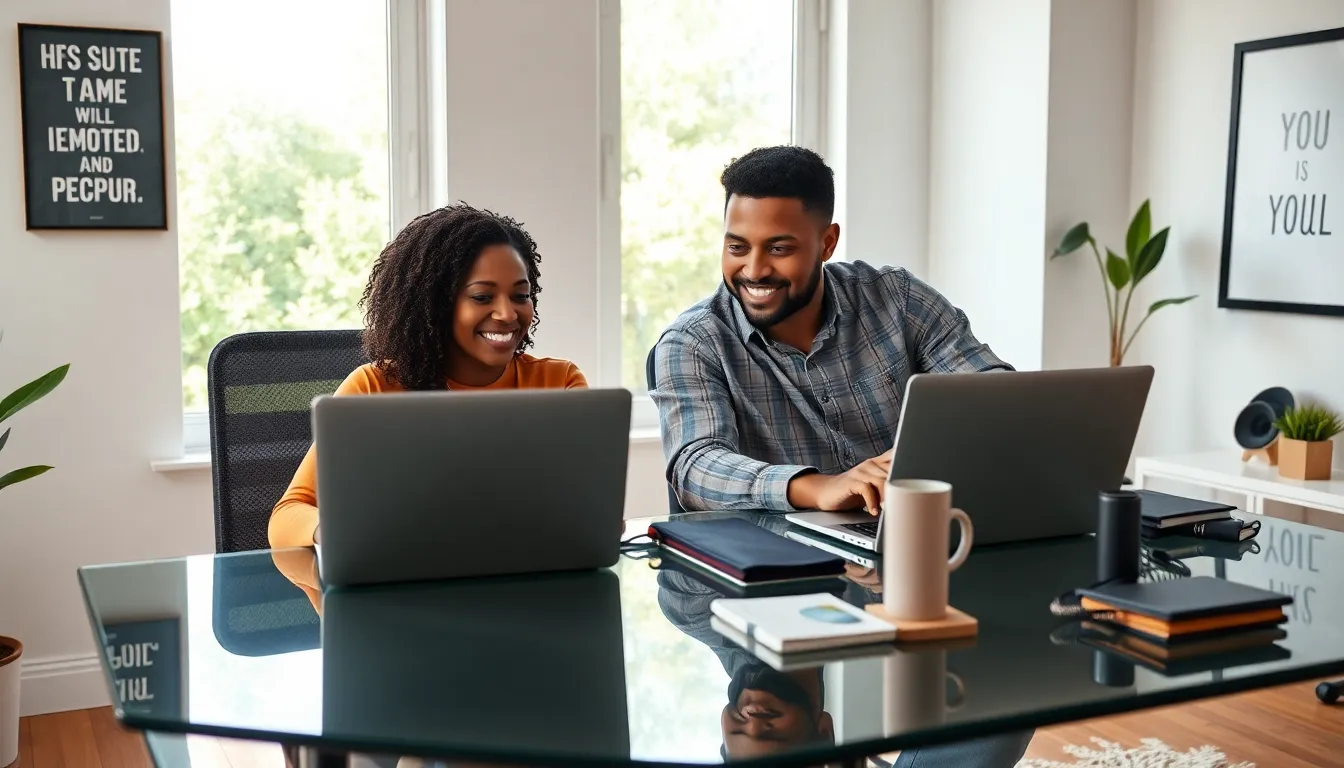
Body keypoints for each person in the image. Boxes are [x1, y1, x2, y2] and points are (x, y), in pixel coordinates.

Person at [650, 145, 1012, 517]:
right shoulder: (692, 342)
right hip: (778, 556)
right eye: (737, 246)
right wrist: (820, 487)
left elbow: (994, 397)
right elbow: (696, 466)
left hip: (911, 529)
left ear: (827, 243)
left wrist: (920, 456)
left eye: (778, 248)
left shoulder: (898, 299)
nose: (754, 270)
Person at [269, 202, 587, 550]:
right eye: (482, 296)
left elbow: (590, 510)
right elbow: (287, 516)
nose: (507, 313)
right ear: (435, 305)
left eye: (520, 296)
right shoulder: (374, 388)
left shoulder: (561, 383)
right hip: (404, 592)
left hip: (532, 585)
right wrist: (341, 532)